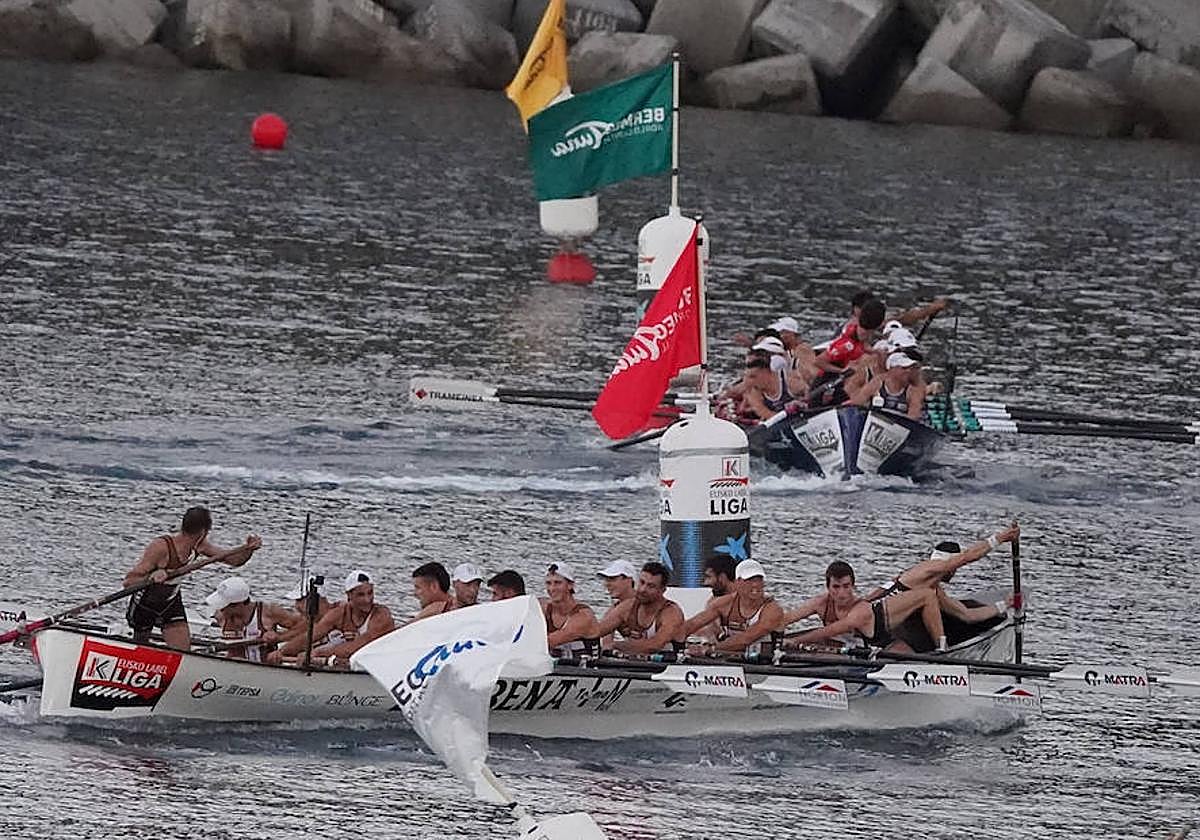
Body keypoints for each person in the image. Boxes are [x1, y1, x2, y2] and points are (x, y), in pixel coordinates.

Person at [122, 506, 262, 649]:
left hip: (170, 603)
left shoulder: (199, 546)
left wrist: (249, 549)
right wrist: (151, 578)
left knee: (183, 650)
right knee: (140, 646)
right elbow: (129, 582)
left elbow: (234, 561)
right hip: (146, 603)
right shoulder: (161, 547)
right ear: (203, 532)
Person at [780, 561, 948, 653]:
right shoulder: (820, 603)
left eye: (846, 586)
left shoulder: (860, 609)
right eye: (836, 587)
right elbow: (786, 619)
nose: (842, 593)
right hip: (850, 652)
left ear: (853, 586)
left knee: (908, 658)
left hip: (882, 647)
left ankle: (942, 648)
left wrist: (795, 640)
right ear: (828, 587)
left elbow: (829, 631)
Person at [864, 523, 1021, 600]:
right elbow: (969, 556)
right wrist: (1000, 538)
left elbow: (964, 614)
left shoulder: (931, 584)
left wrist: (1005, 606)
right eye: (956, 567)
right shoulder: (933, 568)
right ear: (951, 564)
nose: (955, 571)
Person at [272, 569, 395, 667]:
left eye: (370, 593)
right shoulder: (340, 613)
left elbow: (360, 645)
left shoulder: (381, 615)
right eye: (361, 595)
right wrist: (281, 652)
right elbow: (310, 636)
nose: (367, 600)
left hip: (379, 666)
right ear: (349, 595)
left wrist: (317, 653)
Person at [682, 559, 783, 656]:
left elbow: (745, 639)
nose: (755, 585)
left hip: (763, 662)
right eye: (749, 580)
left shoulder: (772, 609)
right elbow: (693, 624)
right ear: (738, 582)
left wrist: (710, 650)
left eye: (759, 580)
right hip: (732, 657)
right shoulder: (723, 603)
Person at [594, 563, 684, 655]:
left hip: (667, 665)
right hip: (636, 665)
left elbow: (655, 645)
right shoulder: (627, 607)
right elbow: (595, 632)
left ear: (662, 590)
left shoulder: (671, 613)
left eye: (651, 586)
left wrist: (616, 645)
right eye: (642, 582)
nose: (643, 589)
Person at [206, 577, 298, 663]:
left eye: (223, 606)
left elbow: (304, 628)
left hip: (266, 670)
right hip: (233, 671)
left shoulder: (269, 611)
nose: (220, 609)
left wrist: (279, 637)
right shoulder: (219, 616)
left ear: (238, 604)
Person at [541, 562, 597, 658]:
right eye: (548, 583)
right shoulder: (544, 608)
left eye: (558, 583)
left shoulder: (583, 616)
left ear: (570, 585)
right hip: (560, 667)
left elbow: (550, 641)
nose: (552, 588)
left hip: (586, 670)